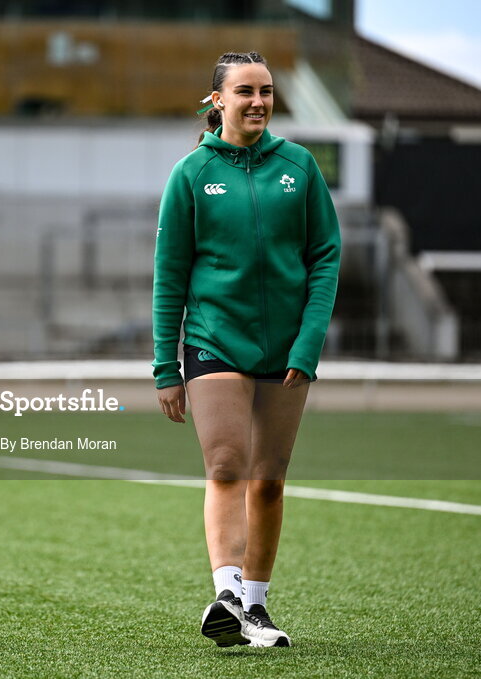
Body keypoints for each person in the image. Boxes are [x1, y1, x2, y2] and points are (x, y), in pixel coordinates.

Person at [152, 52, 341, 648]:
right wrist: (166, 364)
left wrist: (307, 343)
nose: (257, 101)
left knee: (269, 481)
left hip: (287, 349)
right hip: (213, 342)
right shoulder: (189, 174)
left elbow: (325, 257)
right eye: (244, 92)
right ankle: (228, 593)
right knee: (227, 467)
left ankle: (255, 609)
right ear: (217, 102)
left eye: (266, 91)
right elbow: (170, 275)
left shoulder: (300, 166)